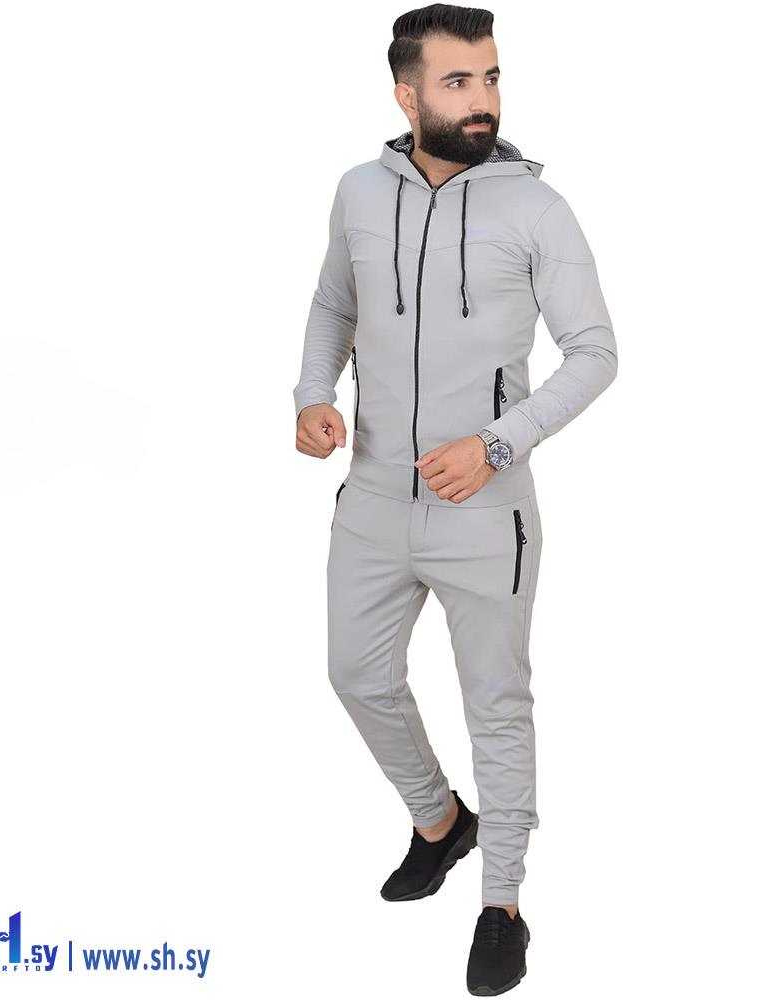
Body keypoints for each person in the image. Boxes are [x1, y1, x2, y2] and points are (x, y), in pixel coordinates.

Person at [292, 4, 617, 994]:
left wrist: (496, 444)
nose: (483, 100)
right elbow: (335, 303)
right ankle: (440, 821)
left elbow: (595, 353)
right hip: (373, 496)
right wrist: (312, 392)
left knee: (496, 706)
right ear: (407, 95)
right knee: (355, 674)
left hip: (486, 507)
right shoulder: (358, 192)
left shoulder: (537, 210)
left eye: (491, 78)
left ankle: (501, 903)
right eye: (458, 82)